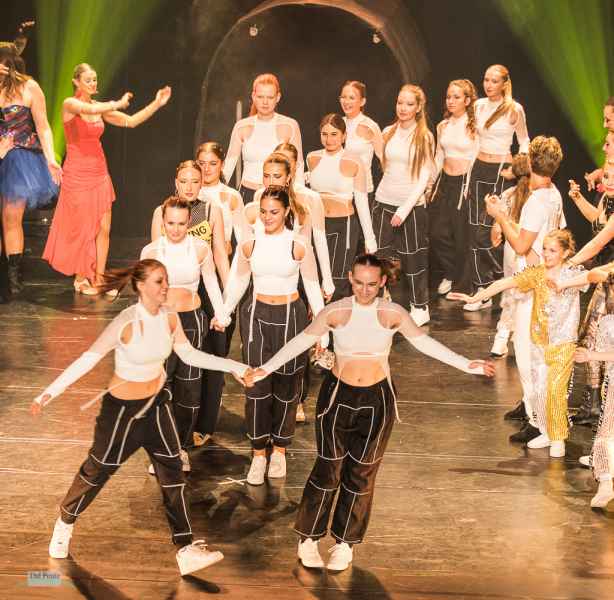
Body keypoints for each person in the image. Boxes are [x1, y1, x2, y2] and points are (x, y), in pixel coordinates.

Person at [251, 253, 494, 571]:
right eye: (359, 283)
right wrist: (266, 368)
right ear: (351, 280)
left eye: (371, 284)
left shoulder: (393, 313)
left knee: (362, 473)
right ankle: (308, 539)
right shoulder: (336, 311)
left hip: (377, 400)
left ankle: (344, 543)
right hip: (337, 397)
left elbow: (425, 344)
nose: (364, 290)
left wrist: (466, 364)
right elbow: (300, 341)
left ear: (382, 282)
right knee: (328, 468)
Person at [31, 259, 252, 576]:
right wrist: (48, 393)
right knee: (98, 470)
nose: (166, 287)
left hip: (157, 407)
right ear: (140, 286)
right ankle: (65, 522)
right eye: (159, 281)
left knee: (172, 474)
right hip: (123, 414)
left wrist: (234, 367)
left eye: (167, 280)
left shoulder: (170, 317)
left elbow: (190, 355)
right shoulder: (126, 322)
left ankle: (185, 548)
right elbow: (87, 360)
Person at [222, 186, 326, 485]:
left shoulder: (298, 244)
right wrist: (225, 312)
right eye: (264, 211)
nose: (268, 217)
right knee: (256, 384)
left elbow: (312, 286)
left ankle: (279, 449)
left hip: (290, 317)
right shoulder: (250, 244)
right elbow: (238, 282)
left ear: (286, 212)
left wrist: (322, 332)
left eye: (274, 212)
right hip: (256, 316)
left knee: (287, 384)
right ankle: (258, 454)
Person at [451, 230, 586, 457]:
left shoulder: (573, 273)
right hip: (539, 343)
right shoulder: (537, 273)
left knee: (554, 391)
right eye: (544, 249)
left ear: (565, 253)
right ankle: (546, 431)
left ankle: (558, 439)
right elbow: (506, 282)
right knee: (539, 392)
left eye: (553, 250)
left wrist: (565, 283)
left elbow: (593, 277)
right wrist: (477, 297)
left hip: (563, 344)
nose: (546, 254)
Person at [43, 63, 171, 295]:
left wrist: (156, 103)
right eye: (88, 80)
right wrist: (116, 103)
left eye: (95, 79)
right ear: (76, 82)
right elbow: (86, 108)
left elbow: (130, 121)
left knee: (104, 228)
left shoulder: (98, 108)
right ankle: (81, 276)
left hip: (99, 172)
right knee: (84, 229)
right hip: (77, 174)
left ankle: (99, 279)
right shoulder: (70, 104)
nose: (93, 83)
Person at [484, 136, 565, 441]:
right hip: (539, 276)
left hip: (533, 282)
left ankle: (537, 418)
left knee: (527, 351)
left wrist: (499, 216)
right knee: (530, 348)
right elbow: (542, 238)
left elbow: (520, 244)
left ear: (531, 162)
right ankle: (531, 407)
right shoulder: (553, 194)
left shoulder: (537, 201)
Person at [141, 197, 228, 471]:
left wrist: (222, 312)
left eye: (181, 223)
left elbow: (211, 282)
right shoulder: (151, 251)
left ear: (189, 222)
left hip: (192, 323)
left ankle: (180, 448)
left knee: (189, 391)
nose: (176, 229)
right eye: (170, 223)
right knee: (160, 388)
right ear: (163, 222)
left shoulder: (200, 248)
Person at [459, 64, 529, 311]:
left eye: (494, 81)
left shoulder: (513, 109)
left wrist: (516, 169)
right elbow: (475, 143)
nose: (488, 85)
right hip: (479, 168)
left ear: (504, 84)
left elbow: (524, 140)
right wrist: (468, 177)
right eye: (486, 80)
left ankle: (500, 280)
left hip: (501, 171)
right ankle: (482, 289)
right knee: (474, 230)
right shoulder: (478, 106)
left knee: (490, 231)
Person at [192, 143, 244, 446]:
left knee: (216, 351)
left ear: (221, 164)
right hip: (191, 279)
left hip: (220, 274)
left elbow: (240, 241)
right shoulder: (189, 196)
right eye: (202, 163)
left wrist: (231, 290)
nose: (207, 169)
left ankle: (207, 420)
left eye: (212, 163)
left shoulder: (229, 196)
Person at [0, 41, 61, 296]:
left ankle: (12, 275)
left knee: (11, 218)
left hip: (20, 159)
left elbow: (43, 126)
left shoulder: (29, 87)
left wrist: (50, 158)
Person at [372, 84, 435, 326]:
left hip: (410, 208)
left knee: (413, 259)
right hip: (383, 201)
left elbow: (425, 176)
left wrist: (404, 209)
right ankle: (380, 300)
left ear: (418, 107)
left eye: (409, 104)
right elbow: (385, 165)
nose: (403, 108)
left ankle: (420, 307)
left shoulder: (424, 136)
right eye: (400, 102)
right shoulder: (388, 131)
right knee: (380, 257)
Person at [566, 131, 614, 425]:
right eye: (605, 175)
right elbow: (596, 222)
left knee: (600, 340)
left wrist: (570, 264)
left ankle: (600, 404)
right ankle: (594, 402)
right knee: (592, 337)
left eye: (611, 175)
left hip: (610, 279)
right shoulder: (608, 200)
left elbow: (598, 242)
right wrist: (578, 197)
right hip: (604, 279)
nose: (606, 180)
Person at [308, 113, 376, 301]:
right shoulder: (312, 158)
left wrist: (370, 238)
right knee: (317, 276)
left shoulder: (354, 161)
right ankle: (318, 317)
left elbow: (361, 202)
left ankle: (338, 318)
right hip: (317, 224)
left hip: (343, 226)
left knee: (338, 280)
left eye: (334, 134)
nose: (329, 139)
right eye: (324, 134)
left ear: (344, 136)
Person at [429, 79, 479, 297]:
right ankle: (451, 273)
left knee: (462, 236)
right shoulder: (443, 126)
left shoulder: (474, 126)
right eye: (449, 96)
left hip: (464, 183)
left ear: (467, 100)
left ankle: (462, 285)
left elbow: (476, 156)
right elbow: (439, 156)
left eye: (456, 97)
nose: (451, 101)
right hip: (445, 183)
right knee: (437, 232)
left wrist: (471, 185)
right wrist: (430, 182)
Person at [223, 73, 303, 204]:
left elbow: (298, 165)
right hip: (247, 194)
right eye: (260, 97)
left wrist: (299, 199)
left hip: (279, 195)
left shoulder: (290, 125)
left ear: (278, 97)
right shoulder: (242, 126)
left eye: (270, 97)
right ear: (253, 96)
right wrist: (216, 194)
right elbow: (228, 166)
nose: (265, 102)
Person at [489, 153, 531, 358]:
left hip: (511, 250)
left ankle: (501, 340)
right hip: (532, 249)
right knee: (529, 294)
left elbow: (496, 231)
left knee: (510, 292)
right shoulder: (543, 196)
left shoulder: (508, 194)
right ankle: (522, 338)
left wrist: (496, 231)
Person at [339, 80, 383, 204]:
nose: (346, 101)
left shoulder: (370, 126)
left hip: (362, 191)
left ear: (362, 101)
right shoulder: (337, 123)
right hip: (339, 190)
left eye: (351, 98)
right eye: (343, 97)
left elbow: (384, 159)